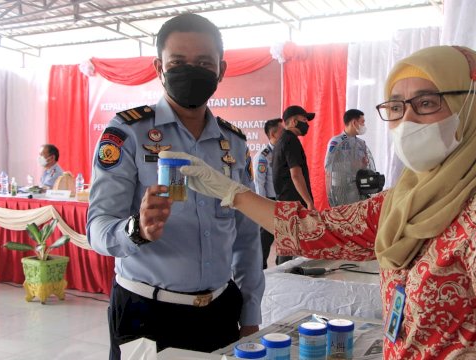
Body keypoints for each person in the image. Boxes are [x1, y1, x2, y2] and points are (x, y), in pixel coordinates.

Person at [160, 45, 476, 358]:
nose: (407, 121)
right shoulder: (408, 197)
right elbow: (314, 231)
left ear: (472, 105)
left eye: (426, 103)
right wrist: (230, 191)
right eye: (396, 106)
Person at [86, 13, 264, 360]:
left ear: (221, 70)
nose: (191, 71)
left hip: (220, 310)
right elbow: (97, 229)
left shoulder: (234, 143)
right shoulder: (128, 133)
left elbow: (246, 236)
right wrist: (137, 230)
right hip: (147, 313)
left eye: (203, 63)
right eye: (178, 62)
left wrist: (250, 312)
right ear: (159, 67)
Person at [272, 105, 315, 265]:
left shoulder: (282, 140)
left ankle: (284, 280)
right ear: (294, 121)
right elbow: (296, 175)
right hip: (292, 203)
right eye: (304, 120)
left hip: (285, 202)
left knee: (287, 246)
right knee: (290, 249)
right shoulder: (291, 141)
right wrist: (309, 201)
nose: (307, 124)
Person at [324, 109, 371, 206]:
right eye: (362, 122)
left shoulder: (361, 144)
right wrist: (351, 165)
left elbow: (364, 164)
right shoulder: (336, 142)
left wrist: (364, 165)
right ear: (354, 122)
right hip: (341, 189)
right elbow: (328, 165)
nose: (364, 125)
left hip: (359, 188)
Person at [254, 118, 284, 269]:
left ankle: (282, 265)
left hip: (282, 200)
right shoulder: (264, 155)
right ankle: (260, 268)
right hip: (269, 200)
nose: (284, 133)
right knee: (266, 237)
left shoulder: (283, 151)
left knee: (284, 235)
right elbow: (259, 182)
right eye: (282, 131)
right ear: (273, 134)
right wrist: (263, 205)